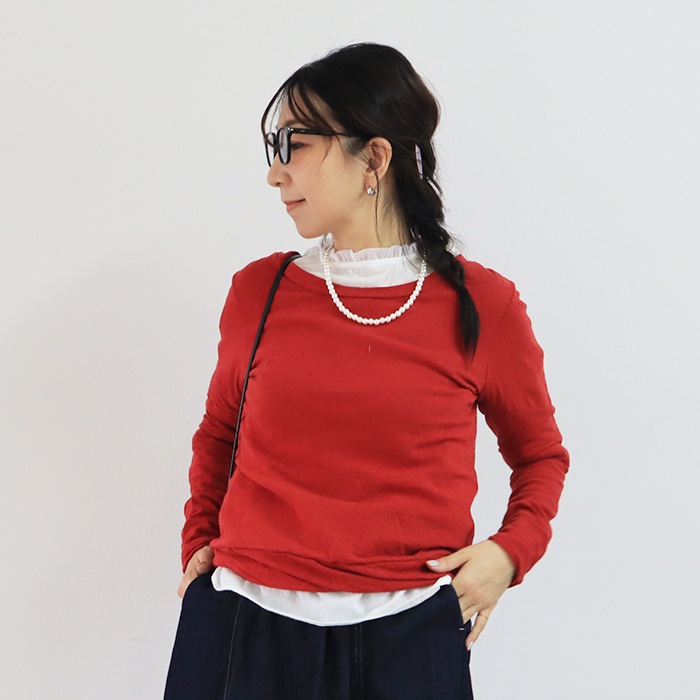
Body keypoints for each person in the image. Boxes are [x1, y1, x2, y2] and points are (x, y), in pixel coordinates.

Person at [164, 43, 568, 700]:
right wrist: (198, 544)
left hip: (411, 635)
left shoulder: (482, 304)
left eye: (295, 144)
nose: (274, 173)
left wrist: (509, 552)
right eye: (273, 146)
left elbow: (540, 455)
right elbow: (219, 432)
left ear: (374, 158)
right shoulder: (259, 291)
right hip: (245, 624)